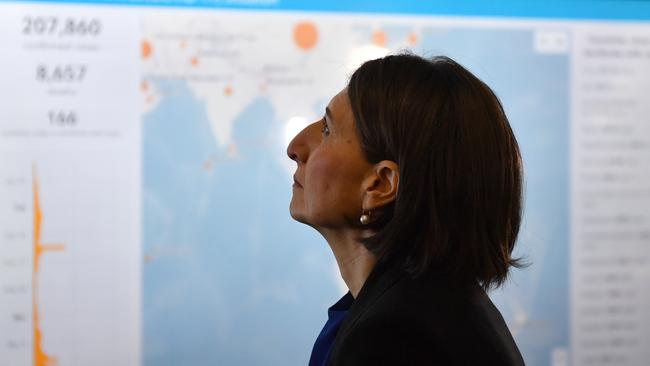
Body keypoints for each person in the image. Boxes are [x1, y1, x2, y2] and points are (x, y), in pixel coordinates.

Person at [286, 54, 526, 366]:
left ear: (380, 185)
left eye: (328, 130)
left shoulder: (392, 339)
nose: (294, 147)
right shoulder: (431, 310)